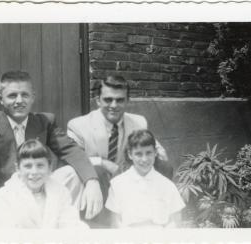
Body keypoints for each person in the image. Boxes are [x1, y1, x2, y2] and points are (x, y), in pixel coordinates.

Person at [0, 70, 102, 229]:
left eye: (24, 95)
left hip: (37, 192)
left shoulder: (44, 121)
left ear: (33, 97)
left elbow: (72, 150)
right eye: (12, 95)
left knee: (72, 173)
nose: (19, 101)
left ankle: (61, 232)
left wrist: (92, 181)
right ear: (1, 99)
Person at [67, 75, 173, 226]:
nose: (114, 105)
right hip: (96, 185)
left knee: (163, 166)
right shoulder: (78, 125)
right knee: (98, 170)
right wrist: (103, 163)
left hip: (126, 178)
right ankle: (102, 229)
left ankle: (156, 222)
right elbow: (73, 159)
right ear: (98, 100)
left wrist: (159, 152)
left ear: (127, 101)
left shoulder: (138, 122)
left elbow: (152, 146)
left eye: (120, 100)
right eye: (108, 99)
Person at [0, 139, 88, 229]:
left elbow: (70, 224)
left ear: (49, 168)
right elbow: (7, 236)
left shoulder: (61, 192)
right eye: (28, 166)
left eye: (40, 165)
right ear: (18, 168)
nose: (34, 172)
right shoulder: (3, 197)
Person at [105, 129, 185, 228]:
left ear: (155, 152)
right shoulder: (117, 184)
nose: (144, 159)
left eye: (148, 153)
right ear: (130, 154)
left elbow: (175, 222)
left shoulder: (167, 185)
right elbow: (115, 223)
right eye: (138, 154)